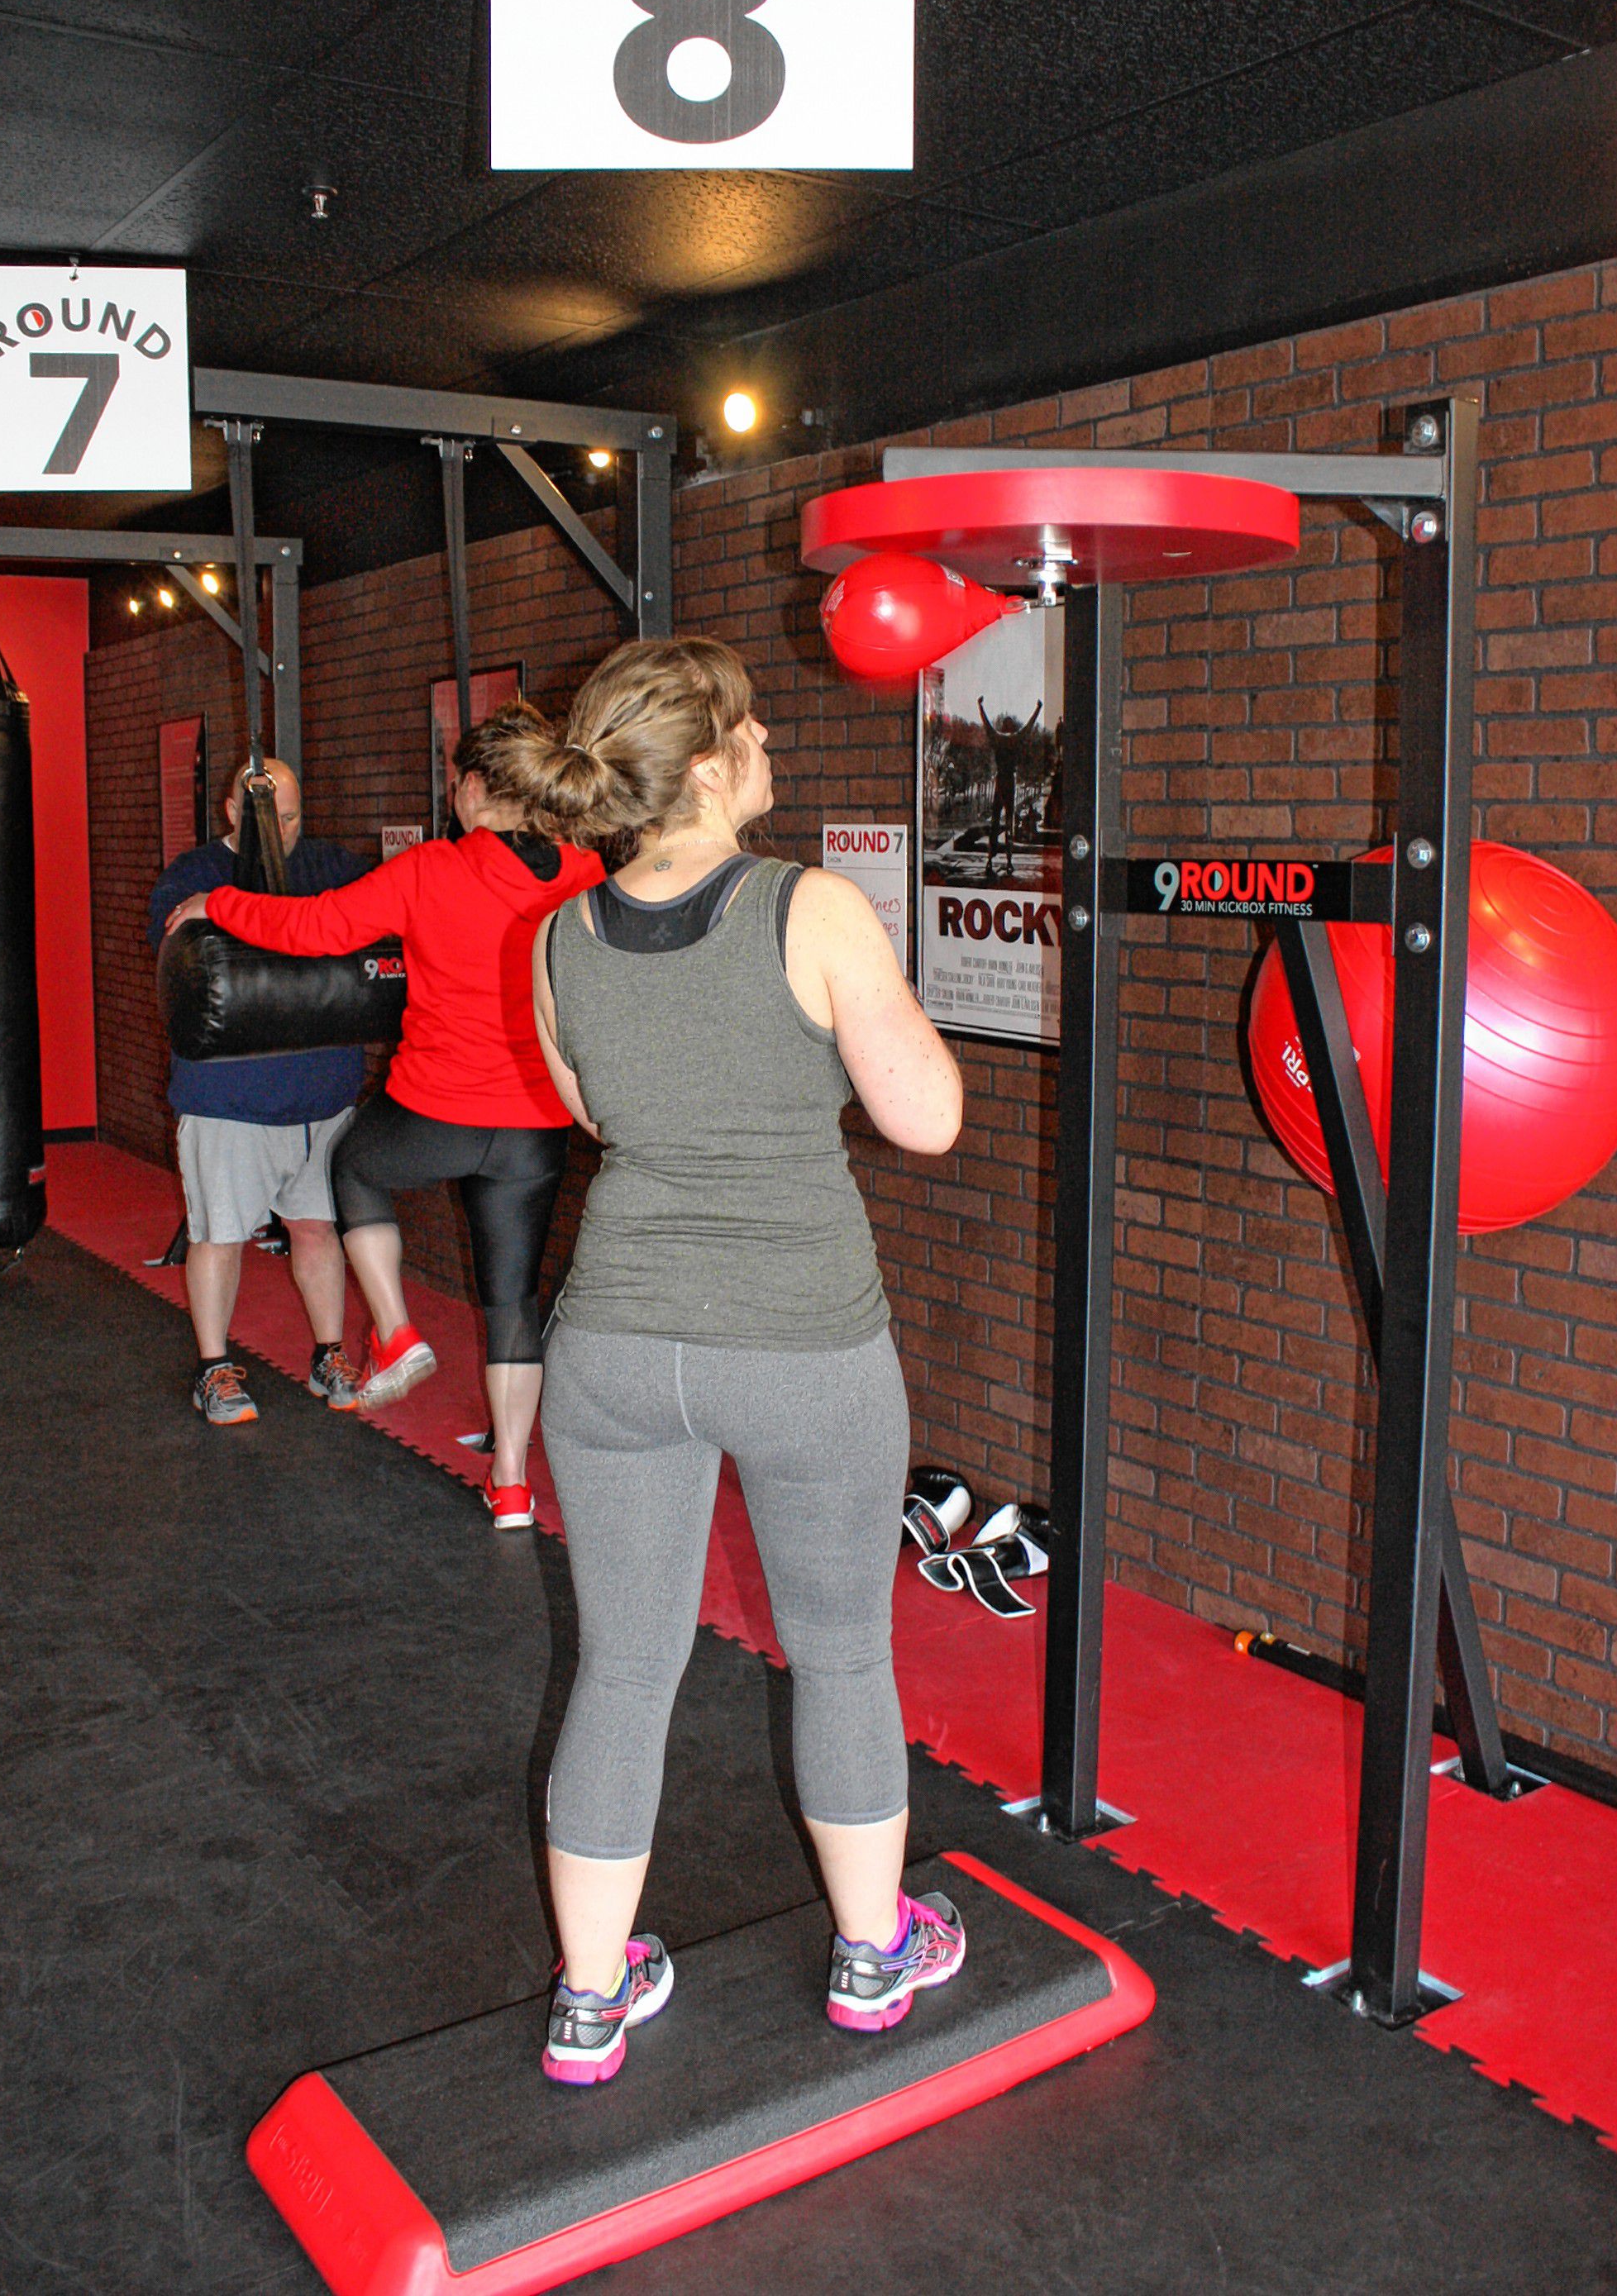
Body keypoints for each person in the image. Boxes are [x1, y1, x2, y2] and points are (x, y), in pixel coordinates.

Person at [517, 637, 966, 2087]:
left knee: (623, 1667)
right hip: (800, 1344)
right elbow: (928, 1121)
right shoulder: (810, 907)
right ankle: (870, 1956)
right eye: (756, 730)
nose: (773, 742)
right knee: (839, 1653)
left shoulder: (558, 937)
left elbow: (596, 1112)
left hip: (614, 1348)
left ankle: (591, 1998)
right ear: (709, 765)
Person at [165, 704, 603, 1527]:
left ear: (472, 788)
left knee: (351, 1166)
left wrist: (220, 906)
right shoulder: (580, 871)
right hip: (536, 1121)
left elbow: (314, 928)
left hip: (437, 1107)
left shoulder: (433, 868)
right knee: (511, 1299)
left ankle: (397, 1332)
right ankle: (510, 1481)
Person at [148, 756, 365, 1426]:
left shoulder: (335, 868)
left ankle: (328, 1353)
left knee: (318, 1228)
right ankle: (213, 1368)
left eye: (296, 815)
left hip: (323, 1095)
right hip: (228, 1098)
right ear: (234, 812)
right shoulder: (193, 875)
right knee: (220, 1235)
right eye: (274, 815)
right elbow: (176, 957)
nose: (286, 829)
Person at [976, 693, 1042, 875]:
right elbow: (1029, 726)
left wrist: (981, 707)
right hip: (1008, 781)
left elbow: (987, 724)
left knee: (997, 820)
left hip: (1001, 780)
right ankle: (1008, 860)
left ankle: (991, 859)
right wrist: (1038, 709)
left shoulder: (998, 738)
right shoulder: (1015, 739)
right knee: (1009, 820)